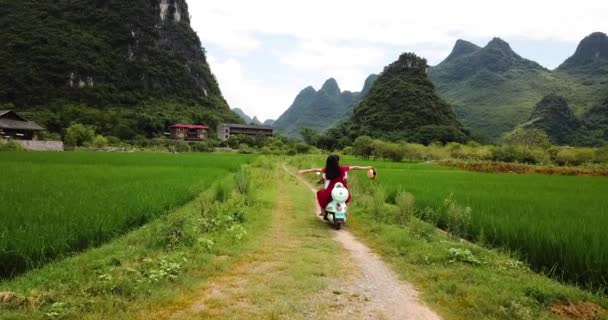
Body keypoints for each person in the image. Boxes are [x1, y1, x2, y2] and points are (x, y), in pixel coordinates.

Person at [298, 155, 375, 219]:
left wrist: (303, 171)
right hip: (343, 190)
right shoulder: (343, 168)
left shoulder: (327, 170)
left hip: (331, 190)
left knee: (320, 194)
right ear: (336, 162)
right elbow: (355, 167)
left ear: (328, 163)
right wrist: (367, 167)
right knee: (348, 198)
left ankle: (323, 211)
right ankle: (345, 212)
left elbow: (315, 169)